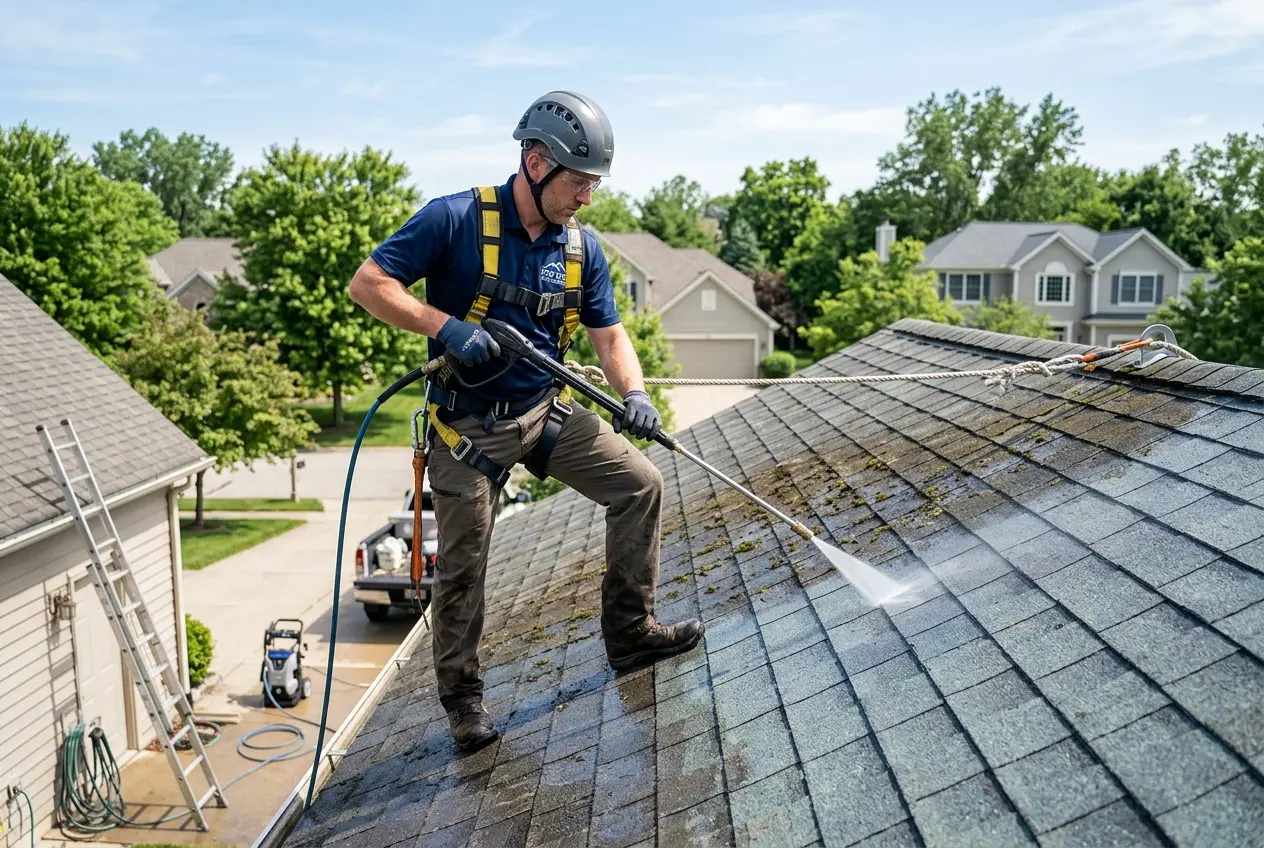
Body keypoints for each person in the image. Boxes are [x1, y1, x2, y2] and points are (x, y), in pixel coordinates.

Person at [347, 91, 704, 752]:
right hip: (466, 430)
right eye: (578, 183)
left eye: (594, 184)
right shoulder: (453, 220)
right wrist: (445, 327)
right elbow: (368, 284)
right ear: (536, 164)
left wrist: (635, 391)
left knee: (641, 485)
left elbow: (609, 335)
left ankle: (631, 631)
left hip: (544, 414)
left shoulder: (581, 250)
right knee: (465, 562)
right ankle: (462, 697)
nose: (586, 198)